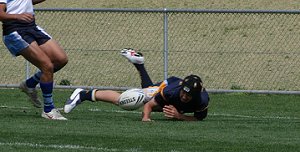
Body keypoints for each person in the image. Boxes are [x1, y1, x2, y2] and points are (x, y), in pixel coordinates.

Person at [64, 48, 209, 122]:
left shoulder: (202, 100)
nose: (184, 96)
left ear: (195, 95)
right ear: (181, 88)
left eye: (188, 95)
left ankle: (139, 64)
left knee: (147, 92)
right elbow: (149, 105)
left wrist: (179, 116)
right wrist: (146, 118)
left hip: (171, 95)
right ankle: (83, 94)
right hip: (166, 86)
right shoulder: (172, 91)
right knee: (127, 100)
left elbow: (198, 119)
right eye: (183, 92)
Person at [0, 0, 68, 120]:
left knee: (61, 59)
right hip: (14, 30)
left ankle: (29, 84)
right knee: (47, 66)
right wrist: (18, 16)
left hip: (31, 27)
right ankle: (48, 110)